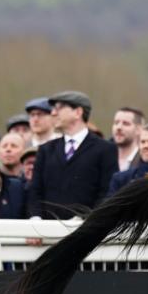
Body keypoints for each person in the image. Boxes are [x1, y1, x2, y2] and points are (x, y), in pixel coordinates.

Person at [29, 90, 118, 219]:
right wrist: (36, 220)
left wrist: (90, 220)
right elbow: (35, 191)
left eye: (59, 108)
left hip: (86, 231)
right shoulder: (45, 150)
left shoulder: (105, 149)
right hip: (47, 230)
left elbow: (107, 192)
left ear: (78, 112)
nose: (53, 113)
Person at [112, 107, 145, 172]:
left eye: (126, 124)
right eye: (116, 123)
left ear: (139, 129)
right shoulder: (105, 157)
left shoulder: (144, 161)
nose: (119, 127)